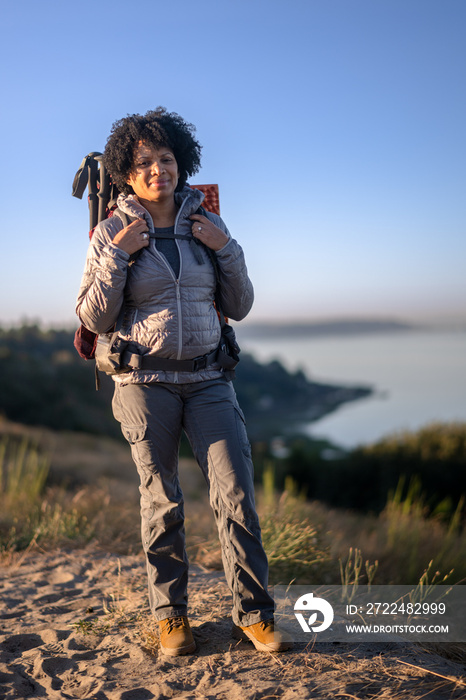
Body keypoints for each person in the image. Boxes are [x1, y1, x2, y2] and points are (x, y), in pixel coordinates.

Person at [76, 108, 292, 656]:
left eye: (166, 159)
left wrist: (225, 248)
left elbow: (239, 305)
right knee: (162, 501)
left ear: (182, 163)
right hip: (143, 381)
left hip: (208, 378)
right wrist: (119, 257)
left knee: (236, 493)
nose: (158, 170)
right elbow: (94, 317)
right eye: (144, 162)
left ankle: (254, 613)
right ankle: (171, 617)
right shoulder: (110, 232)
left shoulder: (208, 224)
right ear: (127, 172)